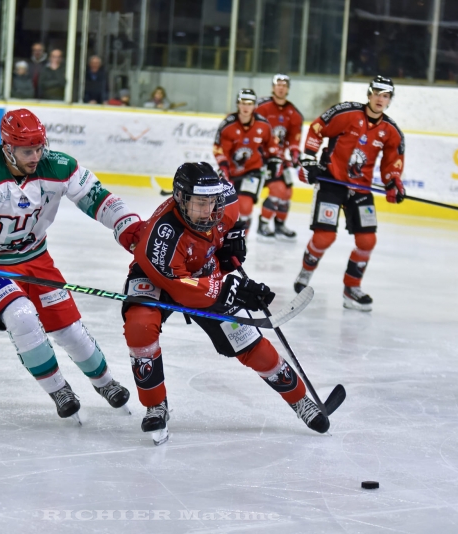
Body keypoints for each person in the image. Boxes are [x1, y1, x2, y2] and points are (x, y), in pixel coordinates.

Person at [0, 108, 145, 422]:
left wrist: (126, 223)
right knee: (21, 316)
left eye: (40, 148)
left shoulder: (57, 165)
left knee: (69, 329)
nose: (36, 155)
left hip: (37, 259)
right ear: (7, 148)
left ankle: (105, 382)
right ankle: (58, 388)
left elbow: (96, 196)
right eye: (28, 151)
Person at [122, 162, 329, 445]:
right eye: (199, 204)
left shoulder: (225, 199)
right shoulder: (161, 239)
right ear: (181, 199)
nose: (208, 211)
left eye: (212, 203)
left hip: (202, 272)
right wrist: (233, 288)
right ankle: (155, 404)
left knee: (247, 340)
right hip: (159, 277)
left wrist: (234, 238)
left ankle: (300, 400)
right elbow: (184, 291)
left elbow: (234, 215)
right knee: (139, 327)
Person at [294, 75, 405, 311]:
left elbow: (392, 163)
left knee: (367, 240)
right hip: (331, 181)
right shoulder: (346, 114)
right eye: (376, 94)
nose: (380, 99)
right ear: (369, 94)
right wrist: (308, 160)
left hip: (361, 188)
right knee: (324, 237)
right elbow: (317, 129)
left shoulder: (391, 131)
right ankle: (306, 272)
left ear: (389, 100)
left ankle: (351, 288)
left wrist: (393, 183)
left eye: (385, 96)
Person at [213, 89, 281, 230]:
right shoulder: (227, 125)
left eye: (249, 103)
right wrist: (224, 168)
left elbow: (271, 145)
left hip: (253, 170)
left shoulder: (263, 124)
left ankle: (241, 241)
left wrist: (274, 159)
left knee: (245, 206)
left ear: (255, 106)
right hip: (230, 172)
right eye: (243, 103)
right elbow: (218, 148)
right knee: (223, 210)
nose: (246, 107)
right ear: (238, 104)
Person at [255, 73, 303, 241]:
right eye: (278, 84)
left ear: (288, 89)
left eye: (284, 85)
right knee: (277, 189)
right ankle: (263, 224)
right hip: (262, 158)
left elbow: (293, 139)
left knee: (287, 192)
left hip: (280, 159)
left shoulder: (294, 113)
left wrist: (295, 153)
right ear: (272, 87)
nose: (281, 88)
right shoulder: (260, 107)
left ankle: (280, 225)